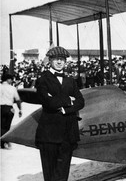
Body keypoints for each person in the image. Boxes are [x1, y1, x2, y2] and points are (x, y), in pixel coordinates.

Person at [35, 46, 85, 181]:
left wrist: (65, 109)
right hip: (49, 135)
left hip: (68, 134)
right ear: (50, 60)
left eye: (62, 59)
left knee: (63, 174)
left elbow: (81, 102)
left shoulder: (70, 80)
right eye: (56, 59)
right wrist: (69, 99)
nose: (59, 62)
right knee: (50, 174)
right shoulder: (43, 79)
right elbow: (49, 103)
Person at [0, 73, 22, 149]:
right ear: (8, 79)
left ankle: (2, 142)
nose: (12, 81)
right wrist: (20, 110)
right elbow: (18, 100)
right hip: (9, 108)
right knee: (6, 126)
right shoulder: (12, 88)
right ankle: (4, 142)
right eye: (11, 79)